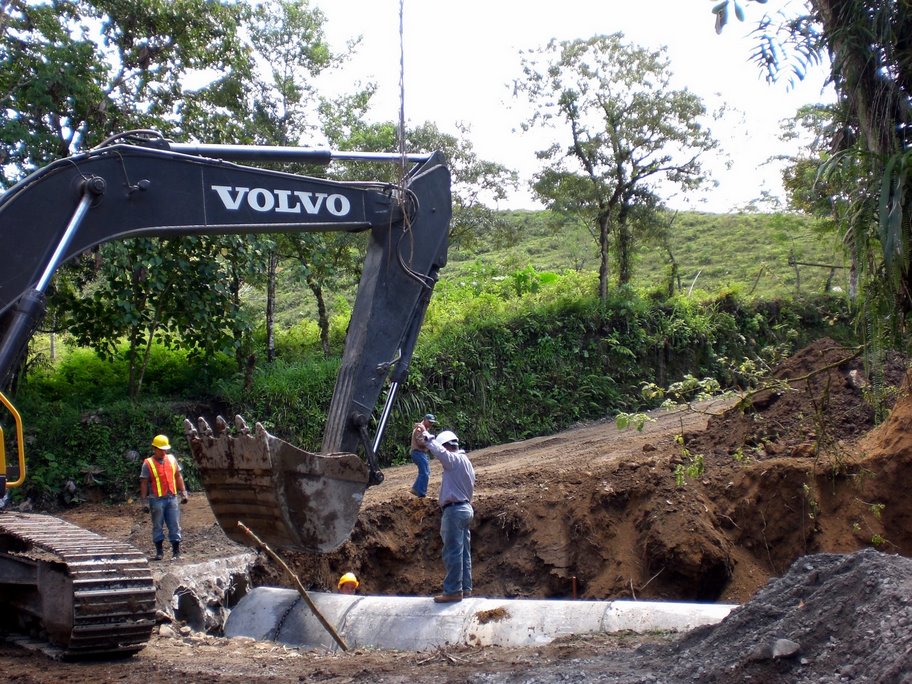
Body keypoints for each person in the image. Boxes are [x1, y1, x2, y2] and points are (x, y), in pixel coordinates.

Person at [422, 428, 475, 603]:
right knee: (464, 552)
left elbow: (441, 453)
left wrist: (427, 437)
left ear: (447, 445)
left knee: (452, 552)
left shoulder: (453, 460)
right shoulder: (466, 462)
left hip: (454, 511)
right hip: (465, 509)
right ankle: (465, 589)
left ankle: (453, 591)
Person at [140, 434, 189, 561]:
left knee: (175, 524)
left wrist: (183, 492)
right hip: (156, 500)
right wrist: (144, 501)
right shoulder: (148, 464)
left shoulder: (172, 459)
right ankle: (159, 552)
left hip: (172, 498)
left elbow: (178, 476)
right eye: (161, 449)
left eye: (165, 449)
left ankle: (176, 552)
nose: (163, 452)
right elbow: (144, 482)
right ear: (154, 449)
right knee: (157, 525)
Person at [409, 413, 437, 498]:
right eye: (430, 422)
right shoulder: (420, 429)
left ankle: (416, 489)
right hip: (418, 452)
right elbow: (420, 442)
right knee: (424, 473)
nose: (431, 424)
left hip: (420, 453)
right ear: (425, 420)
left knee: (426, 472)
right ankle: (421, 493)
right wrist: (430, 442)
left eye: (432, 422)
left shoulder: (424, 428)